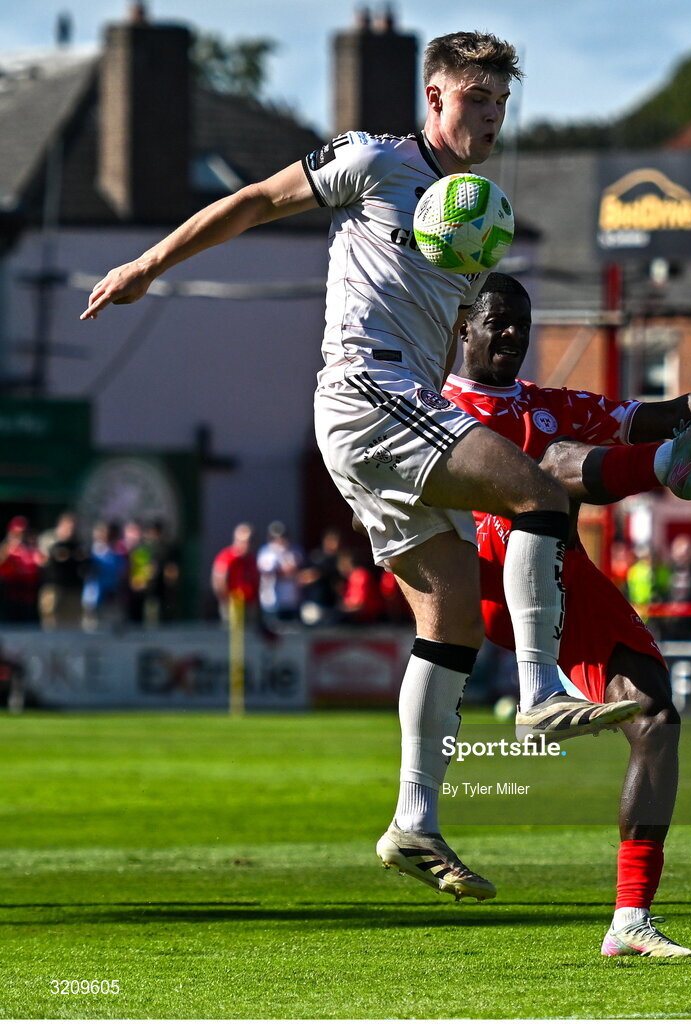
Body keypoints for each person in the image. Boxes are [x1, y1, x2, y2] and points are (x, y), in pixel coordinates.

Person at [80, 31, 653, 904]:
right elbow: (253, 201)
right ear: (434, 96)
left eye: (501, 104)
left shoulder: (481, 211)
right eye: (475, 101)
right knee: (538, 495)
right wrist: (147, 265)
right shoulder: (372, 160)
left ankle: (412, 824)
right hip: (363, 387)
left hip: (398, 406)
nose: (490, 118)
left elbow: (448, 333)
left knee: (452, 616)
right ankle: (538, 688)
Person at [443, 272, 691, 956]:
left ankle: (629, 921)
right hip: (481, 572)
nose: (511, 334)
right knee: (549, 461)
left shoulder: (545, 401)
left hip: (558, 578)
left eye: (521, 324)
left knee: (654, 714)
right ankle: (665, 468)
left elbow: (660, 408)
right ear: (460, 328)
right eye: (496, 321)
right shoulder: (431, 407)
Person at [210, 523, 260, 623]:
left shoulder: (252, 558)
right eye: (243, 542)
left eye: (249, 541)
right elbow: (219, 580)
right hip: (232, 603)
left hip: (250, 603)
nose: (246, 545)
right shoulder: (226, 557)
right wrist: (226, 599)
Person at [257, 521, 304, 625]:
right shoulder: (266, 552)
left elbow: (298, 568)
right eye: (276, 537)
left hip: (292, 599)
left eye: (283, 536)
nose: (281, 540)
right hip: (272, 600)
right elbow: (269, 571)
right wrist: (285, 571)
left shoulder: (294, 550)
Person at [0, 516, 44, 624]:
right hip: (11, 597)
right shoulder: (6, 549)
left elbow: (41, 565)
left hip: (30, 597)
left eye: (22, 533)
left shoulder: (31, 549)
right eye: (16, 533)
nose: (19, 537)